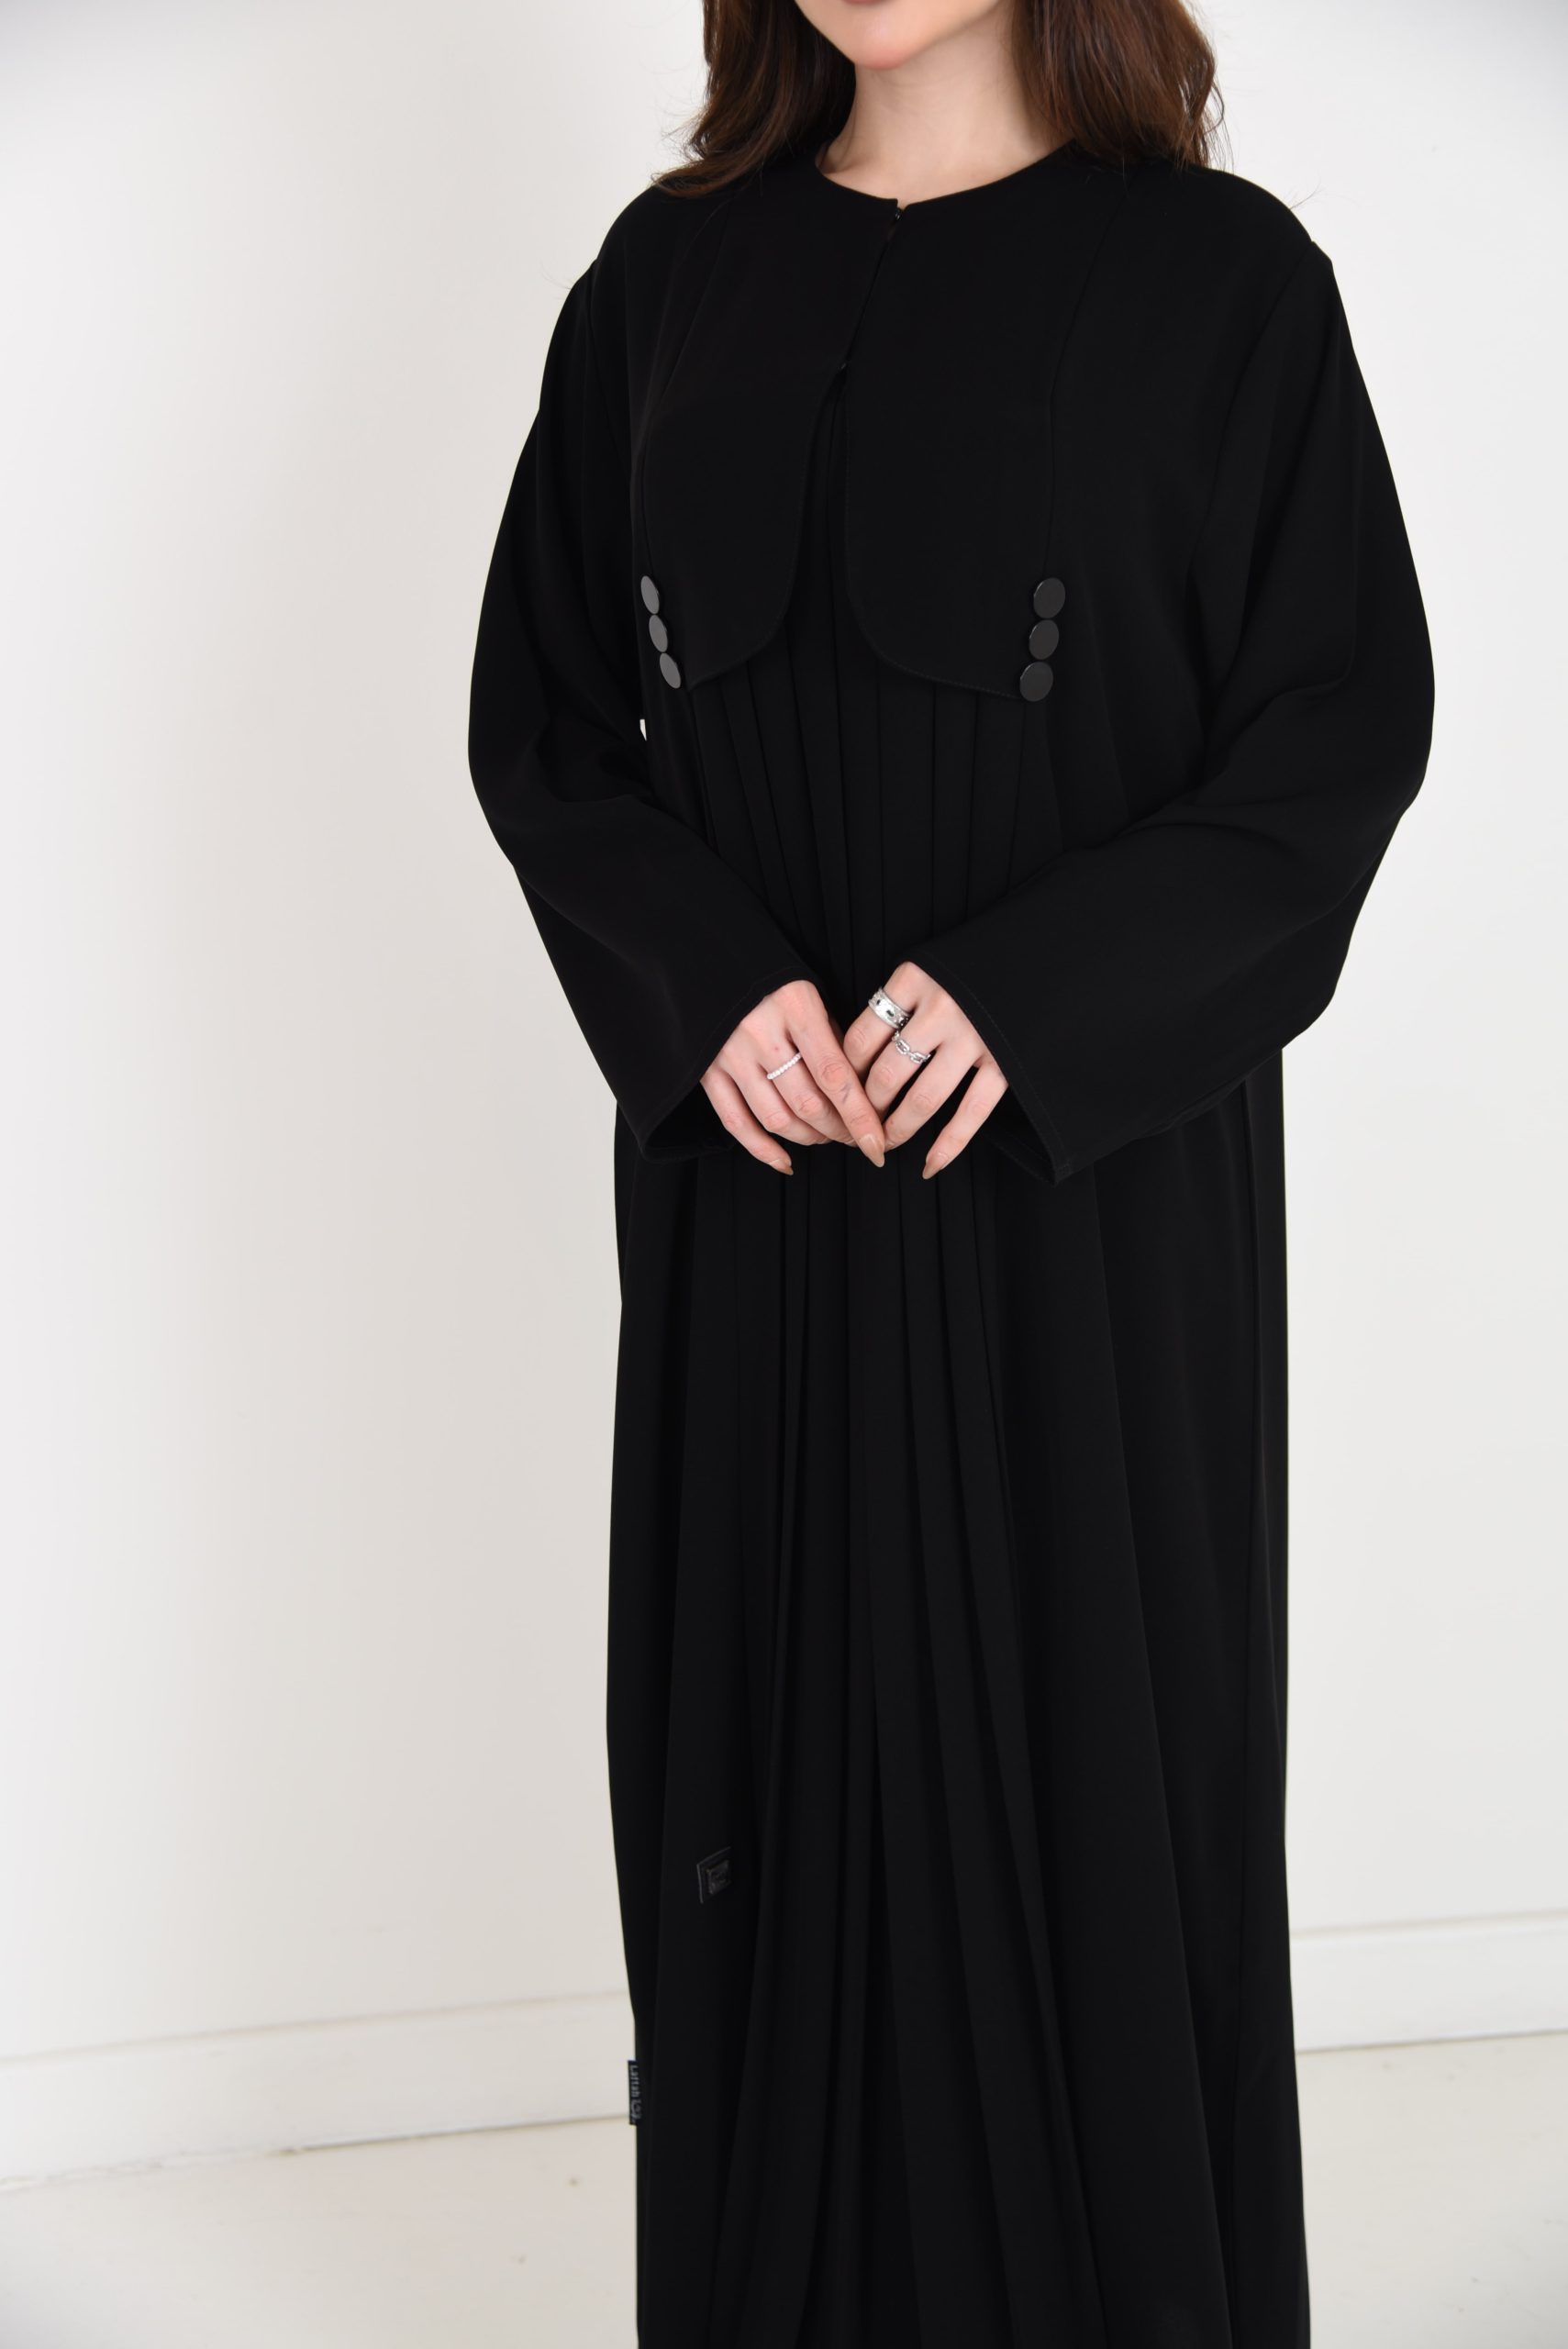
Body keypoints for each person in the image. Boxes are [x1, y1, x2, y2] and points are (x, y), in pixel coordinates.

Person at [465, 1, 1434, 2340]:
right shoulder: (662, 283)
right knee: (760, 1783)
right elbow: (547, 718)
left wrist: (1040, 997)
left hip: (1082, 1226)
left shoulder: (1225, 284)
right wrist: (705, 991)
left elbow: (1338, 728)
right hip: (764, 1197)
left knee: (1095, 1787)